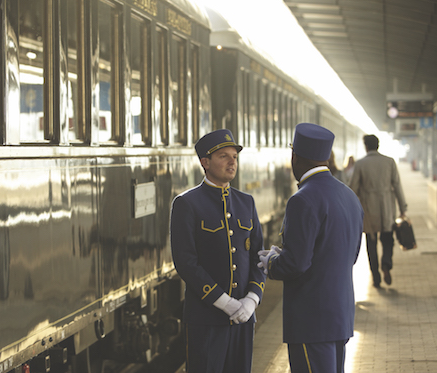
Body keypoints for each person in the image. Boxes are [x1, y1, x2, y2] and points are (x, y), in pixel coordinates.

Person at [258, 123, 363, 373]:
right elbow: (350, 254)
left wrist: (271, 261)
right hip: (339, 316)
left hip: (311, 319)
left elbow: (295, 264)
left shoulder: (302, 199)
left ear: (295, 157)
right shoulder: (348, 196)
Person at [170, 129, 266, 373]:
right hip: (206, 319)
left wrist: (251, 300)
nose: (232, 161)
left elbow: (258, 256)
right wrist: (226, 304)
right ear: (205, 162)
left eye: (234, 156)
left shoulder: (247, 202)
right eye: (224, 156)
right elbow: (186, 262)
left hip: (243, 318)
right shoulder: (187, 204)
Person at [349, 134, 407, 287]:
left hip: (369, 209)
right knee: (388, 239)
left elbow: (353, 188)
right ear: (378, 145)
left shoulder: (361, 164)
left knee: (371, 243)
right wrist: (403, 208)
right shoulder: (389, 162)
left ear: (366, 146)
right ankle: (386, 264)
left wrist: (349, 209)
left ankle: (376, 276)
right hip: (387, 208)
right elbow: (398, 186)